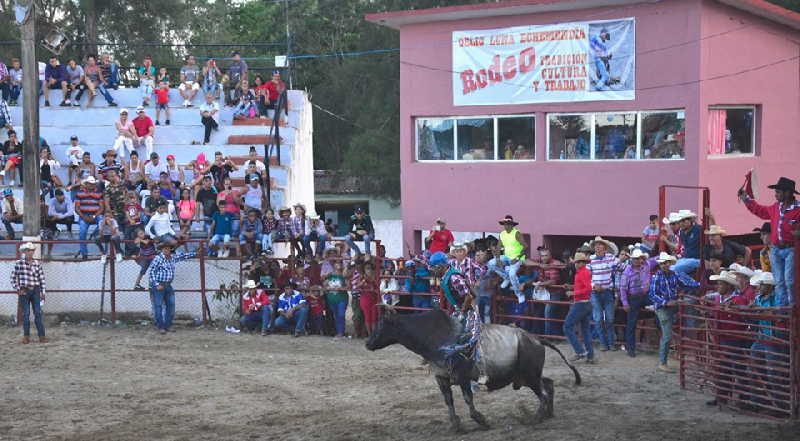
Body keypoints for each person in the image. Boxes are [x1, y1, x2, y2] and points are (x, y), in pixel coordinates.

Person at [740, 177, 800, 306]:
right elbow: (760, 211)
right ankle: (784, 306)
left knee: (789, 280)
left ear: (788, 193)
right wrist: (747, 199)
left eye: (778, 192)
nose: (775, 194)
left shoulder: (798, 209)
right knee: (779, 280)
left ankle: (792, 306)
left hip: (791, 249)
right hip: (777, 249)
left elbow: (761, 211)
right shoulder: (776, 207)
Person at [703, 270, 749, 406]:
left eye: (720, 284)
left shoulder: (739, 300)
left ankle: (743, 399)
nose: (718, 287)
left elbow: (745, 317)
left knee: (737, 369)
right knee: (723, 368)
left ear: (728, 286)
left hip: (734, 339)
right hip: (722, 338)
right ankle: (723, 397)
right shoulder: (720, 299)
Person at [649, 252, 701, 372]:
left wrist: (699, 285)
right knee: (667, 335)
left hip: (672, 304)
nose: (664, 265)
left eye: (666, 263)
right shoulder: (656, 276)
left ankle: (692, 325)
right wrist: (665, 302)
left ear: (669, 263)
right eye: (662, 263)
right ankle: (662, 362)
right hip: (663, 307)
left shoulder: (675, 274)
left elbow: (687, 284)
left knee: (689, 302)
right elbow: (652, 294)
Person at [148, 242, 197, 334]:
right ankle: (161, 327)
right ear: (162, 250)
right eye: (165, 249)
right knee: (158, 306)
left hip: (168, 285)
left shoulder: (172, 257)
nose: (167, 250)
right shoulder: (158, 259)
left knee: (171, 305)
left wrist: (195, 253)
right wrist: (156, 284)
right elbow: (151, 272)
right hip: (159, 285)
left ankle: (167, 325)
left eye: (168, 248)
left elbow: (183, 256)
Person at [618, 249, 655, 358]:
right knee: (631, 323)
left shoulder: (646, 265)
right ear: (632, 259)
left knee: (659, 306)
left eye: (639, 258)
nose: (637, 261)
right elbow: (623, 288)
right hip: (633, 297)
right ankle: (630, 348)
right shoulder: (627, 272)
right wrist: (625, 303)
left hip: (645, 295)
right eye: (635, 259)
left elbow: (657, 259)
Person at [587, 236, 619, 351]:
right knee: (598, 318)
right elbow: (586, 277)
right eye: (596, 245)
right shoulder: (590, 259)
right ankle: (604, 343)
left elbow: (622, 267)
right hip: (595, 292)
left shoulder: (611, 258)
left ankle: (610, 343)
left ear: (605, 248)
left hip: (608, 291)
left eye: (600, 245)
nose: (598, 247)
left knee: (609, 319)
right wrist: (593, 285)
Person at [11, 242, 48, 344]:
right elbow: (13, 278)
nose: (30, 252)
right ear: (24, 252)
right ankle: (26, 336)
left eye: (32, 250)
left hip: (36, 290)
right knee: (26, 314)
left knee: (38, 313)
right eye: (28, 250)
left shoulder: (37, 264)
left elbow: (42, 279)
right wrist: (18, 289)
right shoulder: (19, 263)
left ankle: (42, 336)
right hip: (24, 291)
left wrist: (43, 292)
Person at [488, 215, 529, 304]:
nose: (506, 226)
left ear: (512, 225)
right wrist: (498, 259)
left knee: (512, 274)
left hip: (517, 258)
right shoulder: (502, 234)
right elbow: (498, 247)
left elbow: (525, 246)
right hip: (507, 257)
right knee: (491, 263)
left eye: (509, 224)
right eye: (505, 224)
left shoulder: (516, 233)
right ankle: (506, 277)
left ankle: (519, 294)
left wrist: (517, 258)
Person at [563, 252, 594, 363]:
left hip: (581, 303)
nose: (578, 264)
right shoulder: (583, 272)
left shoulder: (582, 273)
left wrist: (573, 293)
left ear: (584, 263)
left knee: (567, 326)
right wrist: (572, 287)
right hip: (586, 304)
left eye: (580, 262)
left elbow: (588, 289)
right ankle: (590, 356)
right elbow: (585, 287)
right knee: (585, 331)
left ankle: (579, 351)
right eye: (577, 262)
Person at [527, 247, 563, 336]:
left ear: (550, 256)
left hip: (554, 293)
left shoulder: (554, 264)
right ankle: (538, 334)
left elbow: (553, 281)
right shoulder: (539, 262)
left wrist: (541, 284)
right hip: (543, 293)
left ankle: (548, 336)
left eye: (546, 255)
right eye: (542, 256)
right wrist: (539, 265)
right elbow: (525, 261)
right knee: (537, 312)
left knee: (548, 313)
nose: (544, 258)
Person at [672, 209, 703, 277]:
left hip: (697, 260)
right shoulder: (682, 233)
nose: (681, 223)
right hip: (685, 259)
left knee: (674, 269)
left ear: (690, 220)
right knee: (668, 267)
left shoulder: (698, 229)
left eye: (684, 220)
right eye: (680, 221)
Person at [324, 261, 348, 337]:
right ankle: (339, 331)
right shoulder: (330, 275)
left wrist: (341, 288)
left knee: (341, 315)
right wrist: (327, 287)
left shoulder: (344, 275)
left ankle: (340, 332)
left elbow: (348, 286)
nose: (338, 265)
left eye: (339, 263)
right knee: (336, 315)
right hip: (331, 298)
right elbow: (324, 284)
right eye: (336, 263)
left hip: (342, 298)